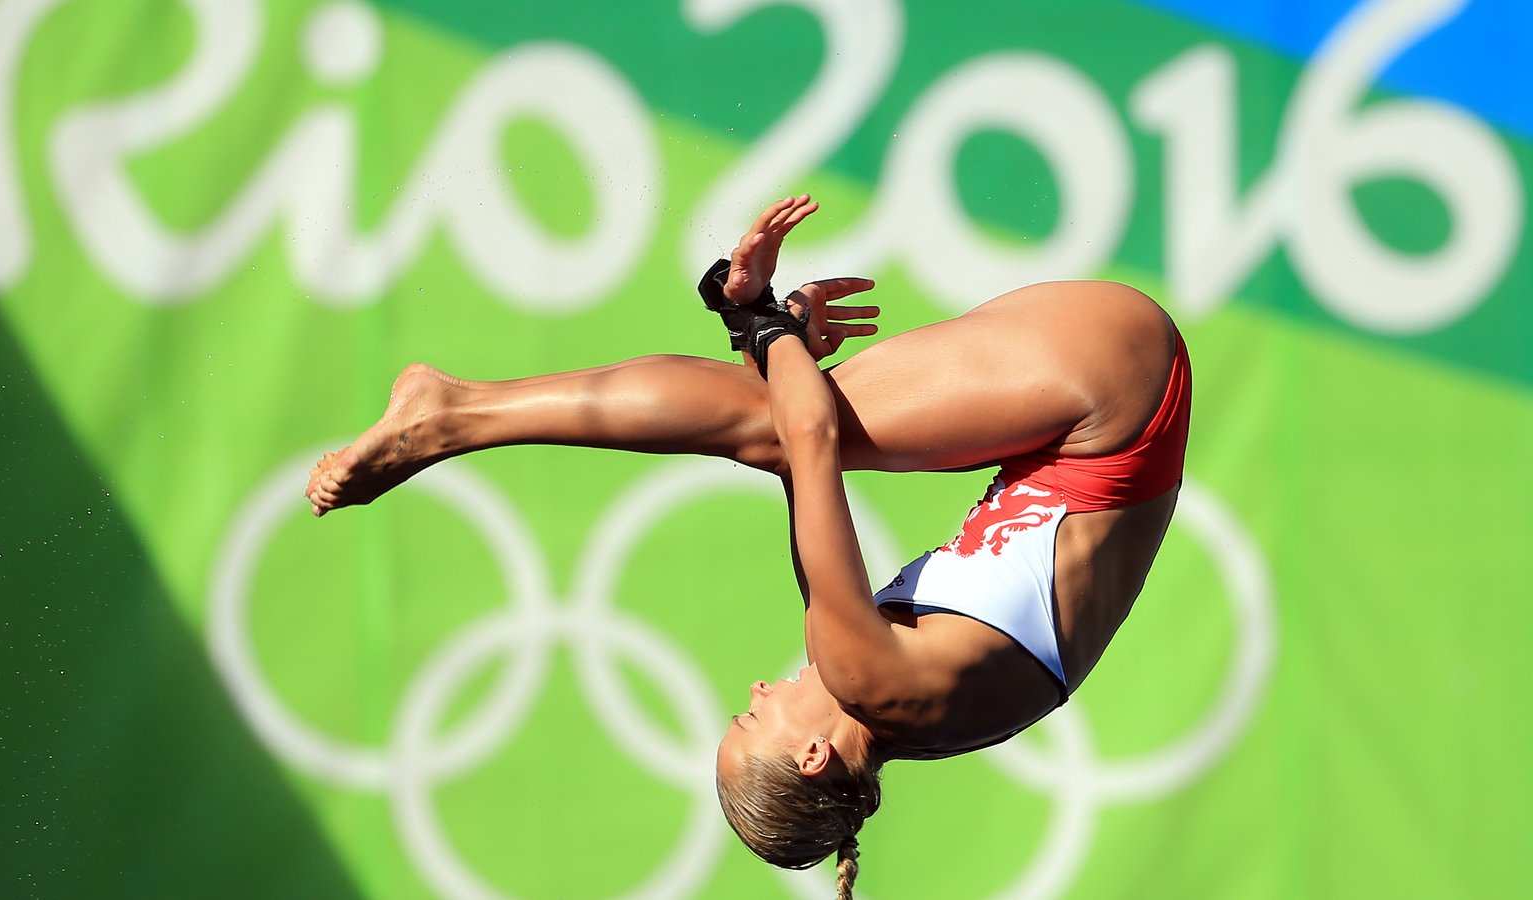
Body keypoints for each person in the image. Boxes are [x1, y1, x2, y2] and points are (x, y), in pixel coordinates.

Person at [305, 196, 1190, 900]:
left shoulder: (931, 726)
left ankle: (457, 416)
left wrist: (770, 343)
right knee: (773, 426)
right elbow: (801, 440)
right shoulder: (867, 679)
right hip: (1105, 388)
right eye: (750, 719)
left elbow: (803, 456)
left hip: (1108, 404)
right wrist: (761, 320)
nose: (759, 690)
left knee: (777, 421)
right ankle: (449, 418)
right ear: (813, 757)